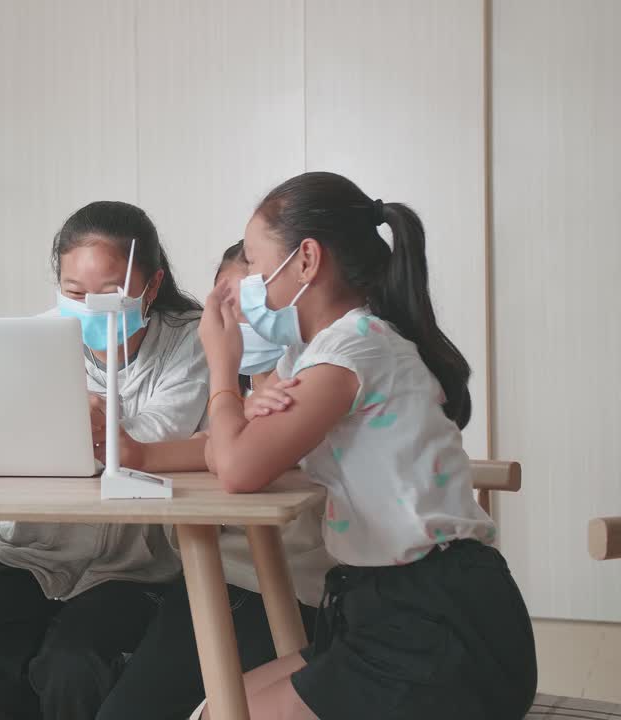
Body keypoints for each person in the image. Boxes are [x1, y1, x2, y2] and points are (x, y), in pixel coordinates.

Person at [196, 171, 536, 718]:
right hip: (388, 612)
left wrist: (222, 369)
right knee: (217, 707)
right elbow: (225, 452)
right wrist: (232, 421)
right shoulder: (322, 354)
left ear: (306, 260)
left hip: (439, 630)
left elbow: (235, 468)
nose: (245, 289)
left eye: (256, 267)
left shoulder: (351, 352)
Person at [0, 201, 208, 720]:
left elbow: (156, 438)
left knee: (74, 667)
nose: (90, 307)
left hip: (137, 567)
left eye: (110, 293)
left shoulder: (190, 337)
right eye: (74, 292)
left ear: (151, 287)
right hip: (31, 556)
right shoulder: (29, 340)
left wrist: (73, 423)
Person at [94, 239, 332, 720]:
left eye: (238, 303)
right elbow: (209, 448)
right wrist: (132, 450)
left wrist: (223, 377)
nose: (220, 321)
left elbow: (240, 459)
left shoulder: (311, 381)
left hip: (284, 588)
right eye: (218, 302)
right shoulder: (253, 391)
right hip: (219, 576)